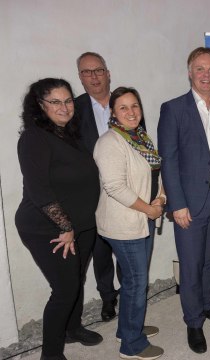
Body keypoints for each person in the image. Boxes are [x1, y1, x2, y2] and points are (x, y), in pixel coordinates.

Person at [157, 47, 210, 354]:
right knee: (190, 266)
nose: (206, 75)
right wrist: (176, 204)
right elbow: (169, 160)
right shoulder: (173, 109)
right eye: (200, 69)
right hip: (188, 203)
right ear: (190, 72)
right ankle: (193, 322)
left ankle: (208, 306)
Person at [15, 78, 103, 360]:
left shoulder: (69, 134)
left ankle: (72, 328)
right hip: (48, 228)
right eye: (55, 101)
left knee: (76, 279)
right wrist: (65, 227)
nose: (64, 107)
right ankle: (51, 355)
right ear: (40, 105)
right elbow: (38, 189)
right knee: (65, 289)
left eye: (67, 100)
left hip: (82, 225)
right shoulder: (34, 138)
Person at [94, 87, 164, 360]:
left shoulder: (140, 138)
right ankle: (132, 345)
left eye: (135, 106)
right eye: (123, 107)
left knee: (135, 281)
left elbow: (155, 172)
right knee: (136, 282)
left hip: (144, 218)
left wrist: (161, 199)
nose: (131, 112)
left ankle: (128, 328)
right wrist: (148, 209)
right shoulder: (110, 142)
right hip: (125, 223)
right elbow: (114, 187)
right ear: (113, 112)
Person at [75, 52, 119, 321]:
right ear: (80, 77)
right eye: (86, 72)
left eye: (98, 70)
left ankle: (132, 293)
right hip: (93, 192)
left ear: (108, 73)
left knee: (128, 250)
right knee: (100, 251)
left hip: (126, 191)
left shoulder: (124, 102)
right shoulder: (74, 109)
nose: (93, 76)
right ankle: (107, 298)